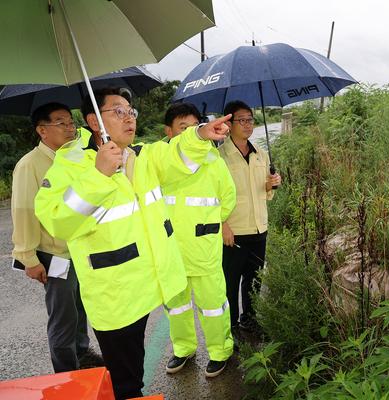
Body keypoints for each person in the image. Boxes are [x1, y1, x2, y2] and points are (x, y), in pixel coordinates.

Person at [34, 88, 230, 400]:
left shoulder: (140, 155)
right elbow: (57, 220)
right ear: (94, 121)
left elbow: (175, 154)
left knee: (134, 373)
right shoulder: (70, 163)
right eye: (118, 111)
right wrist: (98, 176)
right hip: (115, 295)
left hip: (146, 287)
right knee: (127, 383)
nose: (130, 118)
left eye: (131, 111)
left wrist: (200, 134)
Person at [11, 102, 99, 373]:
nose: (70, 127)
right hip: (55, 254)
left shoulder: (72, 157)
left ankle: (82, 354)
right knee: (63, 317)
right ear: (42, 130)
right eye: (61, 123)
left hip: (79, 249)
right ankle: (67, 372)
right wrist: (28, 258)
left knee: (81, 308)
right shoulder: (31, 165)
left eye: (71, 122)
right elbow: (24, 211)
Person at [161, 103, 236, 377]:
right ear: (168, 132)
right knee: (177, 305)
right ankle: (183, 348)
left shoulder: (212, 162)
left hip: (203, 248)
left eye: (195, 127)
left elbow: (227, 199)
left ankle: (219, 351)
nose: (191, 133)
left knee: (213, 305)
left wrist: (208, 224)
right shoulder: (159, 163)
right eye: (183, 128)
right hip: (170, 250)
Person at [218, 100, 281, 332]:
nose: (247, 124)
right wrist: (222, 225)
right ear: (229, 123)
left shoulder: (261, 155)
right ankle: (231, 325)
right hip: (233, 232)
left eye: (250, 119)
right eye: (241, 120)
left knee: (254, 280)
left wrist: (272, 184)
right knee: (231, 282)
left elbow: (265, 194)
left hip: (258, 228)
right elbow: (212, 196)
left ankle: (250, 319)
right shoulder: (219, 157)